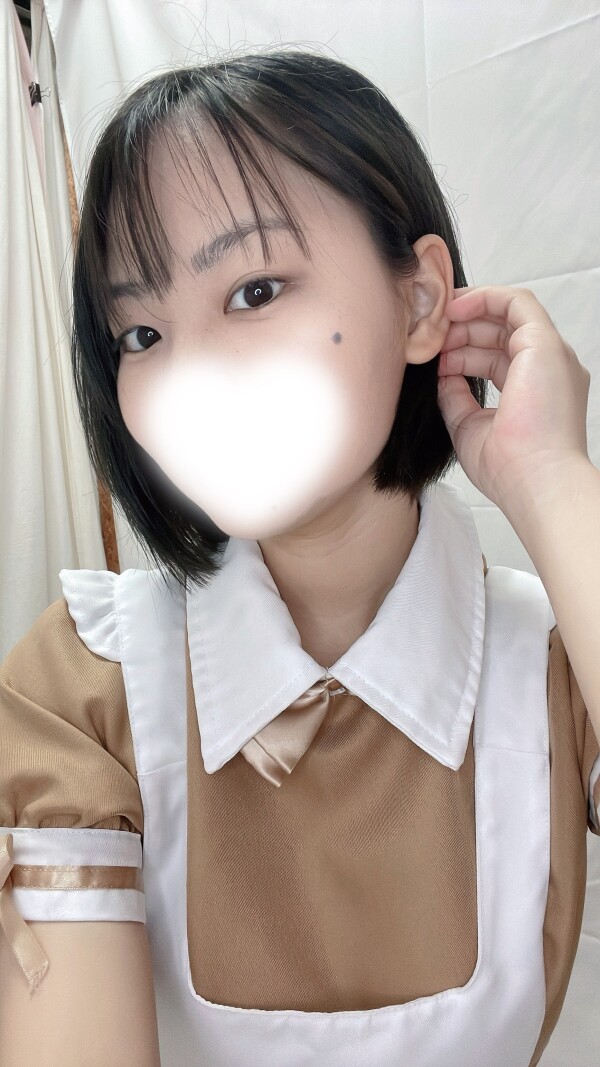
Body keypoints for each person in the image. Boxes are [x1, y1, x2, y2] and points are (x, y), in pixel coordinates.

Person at [1, 48, 599, 1067]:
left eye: (254, 289)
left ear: (421, 302)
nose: (188, 376)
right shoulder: (83, 686)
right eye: (139, 333)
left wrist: (550, 478)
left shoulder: (558, 660)